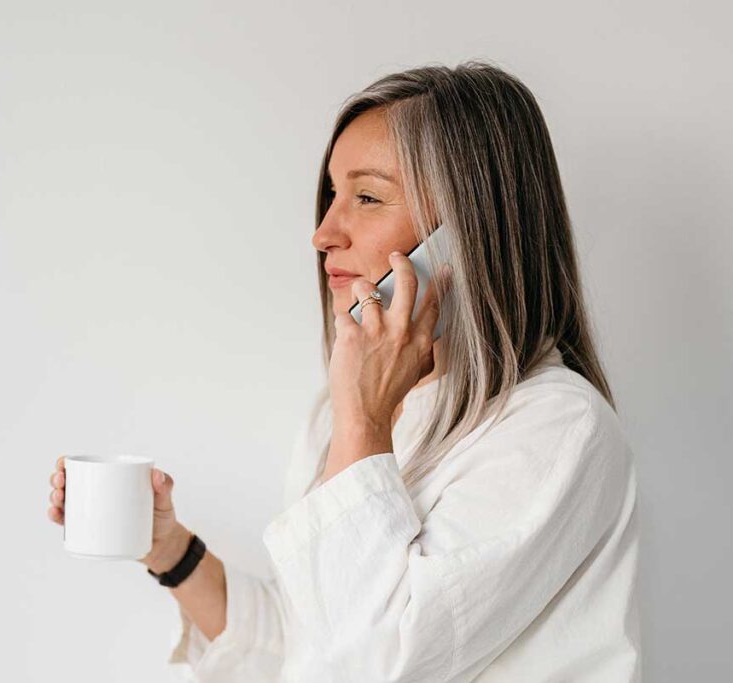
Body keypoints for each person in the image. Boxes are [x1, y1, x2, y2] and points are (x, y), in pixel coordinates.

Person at [48, 59, 641, 682]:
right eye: (332, 194)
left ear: (468, 231)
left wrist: (363, 417)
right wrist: (169, 551)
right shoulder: (339, 416)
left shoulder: (557, 427)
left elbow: (373, 664)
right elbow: (312, 645)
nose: (324, 233)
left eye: (367, 196)